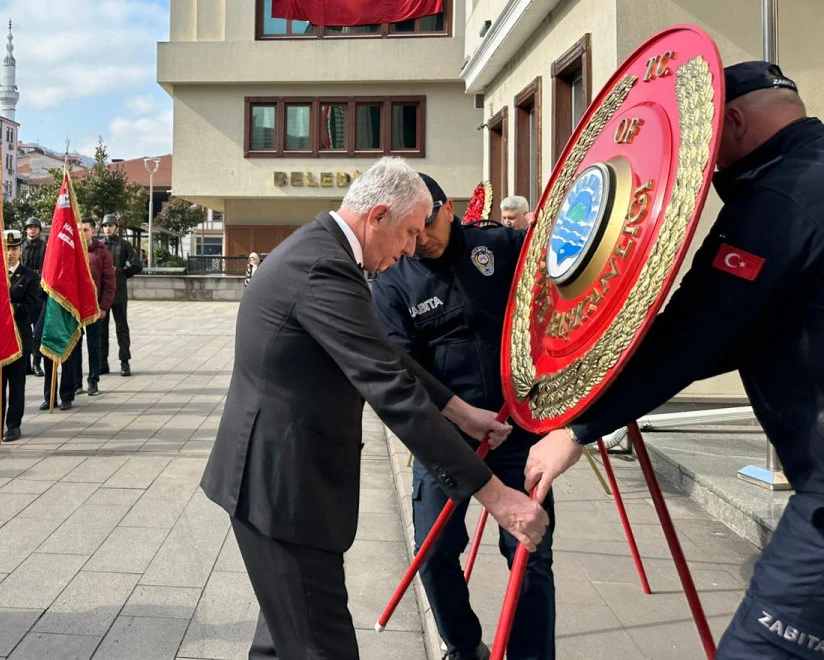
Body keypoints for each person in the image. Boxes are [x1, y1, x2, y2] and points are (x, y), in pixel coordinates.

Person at [524, 62, 824, 660]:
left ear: (732, 121)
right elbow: (740, 333)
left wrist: (579, 425)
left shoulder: (780, 194)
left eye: (709, 142)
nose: (707, 164)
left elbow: (698, 331)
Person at [200, 157, 548, 659]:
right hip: (282, 492)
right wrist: (497, 497)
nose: (410, 249)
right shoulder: (323, 267)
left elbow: (383, 353)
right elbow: (388, 387)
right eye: (408, 233)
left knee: (282, 645)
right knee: (322, 648)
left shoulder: (325, 253)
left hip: (283, 486)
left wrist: (458, 411)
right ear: (378, 216)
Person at [372, 174, 551, 660]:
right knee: (433, 552)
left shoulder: (499, 245)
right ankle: (463, 646)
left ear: (448, 209)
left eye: (428, 224)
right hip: (446, 438)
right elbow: (401, 368)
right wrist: (455, 417)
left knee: (529, 553)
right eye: (411, 230)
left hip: (518, 427)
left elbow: (557, 280)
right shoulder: (392, 280)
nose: (420, 240)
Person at [0, 230, 43, 442]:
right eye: (6, 249)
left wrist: (8, 307)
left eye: (13, 248)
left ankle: (13, 425)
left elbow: (31, 307)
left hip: (19, 338)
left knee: (16, 385)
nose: (10, 253)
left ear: (21, 250)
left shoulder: (29, 276)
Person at [100, 214, 139, 376]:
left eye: (110, 225)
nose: (108, 228)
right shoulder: (99, 245)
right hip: (102, 294)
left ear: (116, 227)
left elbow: (136, 265)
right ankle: (102, 362)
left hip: (119, 292)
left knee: (121, 328)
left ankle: (124, 361)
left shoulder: (124, 245)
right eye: (105, 226)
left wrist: (121, 273)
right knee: (101, 329)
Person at [83, 217, 116, 396]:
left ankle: (93, 379)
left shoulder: (102, 252)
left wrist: (103, 307)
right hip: (75, 306)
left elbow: (109, 282)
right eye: (79, 230)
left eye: (85, 230)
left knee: (94, 344)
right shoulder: (71, 250)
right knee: (73, 345)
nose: (82, 233)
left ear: (93, 231)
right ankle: (75, 381)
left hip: (94, 306)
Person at [22, 217, 47, 377]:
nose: (32, 230)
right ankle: (25, 364)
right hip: (23, 294)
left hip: (38, 293)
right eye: (30, 227)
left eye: (35, 227)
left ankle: (37, 363)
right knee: (24, 331)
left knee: (38, 332)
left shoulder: (45, 247)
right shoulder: (20, 246)